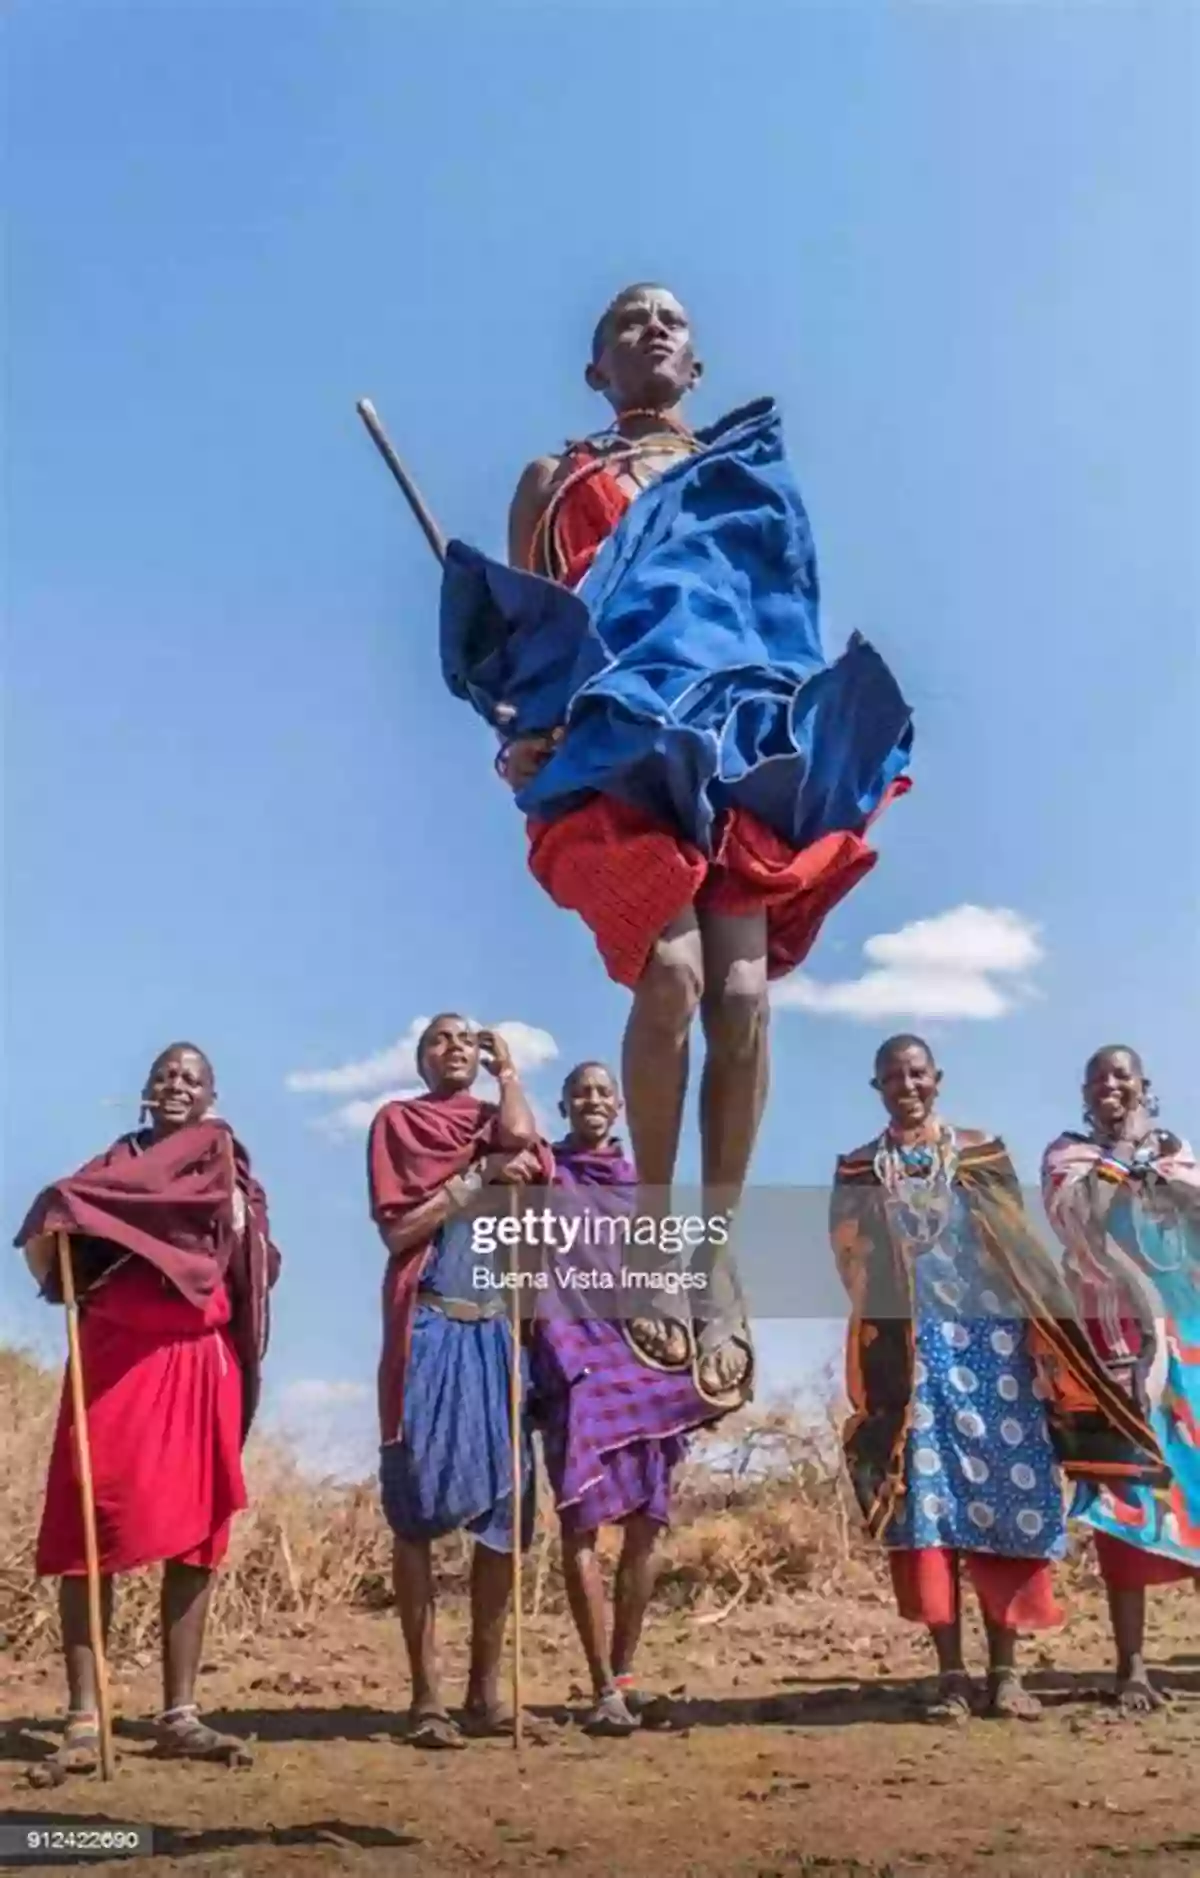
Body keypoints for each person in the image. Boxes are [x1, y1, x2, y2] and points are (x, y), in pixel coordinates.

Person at [472, 283, 912, 1409]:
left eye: (670, 319)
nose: (653, 330)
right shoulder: (558, 478)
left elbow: (783, 616)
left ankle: (716, 1254)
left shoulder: (745, 473)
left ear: (698, 366)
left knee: (746, 995)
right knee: (671, 973)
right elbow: (529, 638)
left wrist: (807, 736)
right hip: (615, 746)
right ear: (595, 369)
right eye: (627, 321)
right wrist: (518, 737)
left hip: (736, 741)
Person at [830, 1034, 1165, 1724]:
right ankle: (952, 1676)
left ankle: (1005, 1676)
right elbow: (853, 1263)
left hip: (997, 1356)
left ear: (938, 1079)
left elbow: (1023, 1254)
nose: (908, 1084)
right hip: (915, 1360)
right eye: (893, 1076)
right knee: (929, 1514)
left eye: (917, 1072)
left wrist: (1046, 1348)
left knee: (1006, 1499)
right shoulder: (860, 1170)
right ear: (877, 1087)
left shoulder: (982, 1156)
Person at [14, 1042, 281, 1783]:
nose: (176, 1085)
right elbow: (52, 1241)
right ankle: (81, 1716)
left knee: (198, 1530)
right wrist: (62, 1251)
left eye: (191, 1079)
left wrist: (239, 1220)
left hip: (198, 1359)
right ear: (143, 1091)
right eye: (165, 1075)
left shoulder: (228, 1169)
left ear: (211, 1098)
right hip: (115, 1361)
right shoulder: (104, 1176)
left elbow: (256, 1259)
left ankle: (179, 1714)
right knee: (89, 1521)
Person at [367, 1013, 552, 1748]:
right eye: (439, 1039)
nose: (454, 1050)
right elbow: (398, 1232)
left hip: (498, 1331)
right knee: (414, 1511)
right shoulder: (400, 1125)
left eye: (466, 1042)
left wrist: (508, 1073)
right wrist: (477, 1178)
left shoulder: (496, 1122)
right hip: (431, 1327)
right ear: (418, 1058)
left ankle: (485, 1691)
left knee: (507, 1513)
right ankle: (425, 1698)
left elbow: (526, 1148)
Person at [529, 1060, 724, 1736]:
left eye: (603, 1092)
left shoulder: (645, 1185)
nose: (592, 1101)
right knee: (581, 1518)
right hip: (573, 1355)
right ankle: (599, 1684)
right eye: (580, 1092)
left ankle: (624, 1673)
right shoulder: (545, 1174)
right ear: (563, 1104)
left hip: (642, 1356)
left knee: (646, 1524)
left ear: (618, 1105)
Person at [1042, 1045, 1200, 1713]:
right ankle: (1132, 1667)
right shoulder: (1067, 1156)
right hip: (1112, 1353)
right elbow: (1079, 1221)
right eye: (1099, 1078)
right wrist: (1118, 1161)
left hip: (1187, 1347)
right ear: (1086, 1091)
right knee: (1124, 1502)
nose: (1111, 1085)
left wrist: (1159, 1171)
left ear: (1143, 1085)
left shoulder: (1178, 1152)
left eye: (1122, 1076)